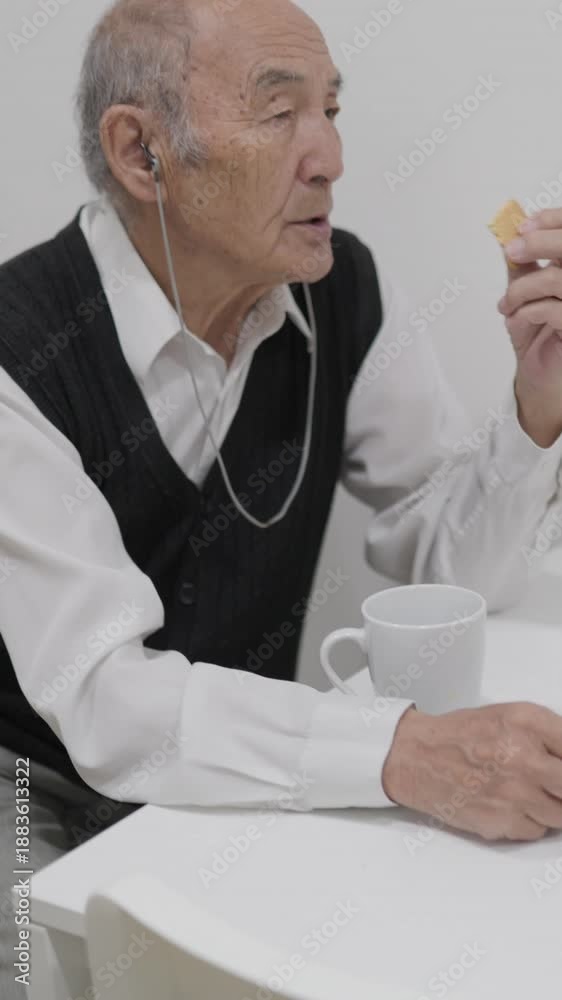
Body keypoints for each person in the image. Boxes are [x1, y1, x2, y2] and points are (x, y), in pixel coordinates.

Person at [2, 0, 562, 993]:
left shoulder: (338, 290)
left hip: (230, 783)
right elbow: (107, 701)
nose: (331, 158)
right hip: (30, 795)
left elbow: (449, 571)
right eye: (279, 113)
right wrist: (401, 751)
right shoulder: (20, 349)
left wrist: (537, 407)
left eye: (331, 110)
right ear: (141, 154)